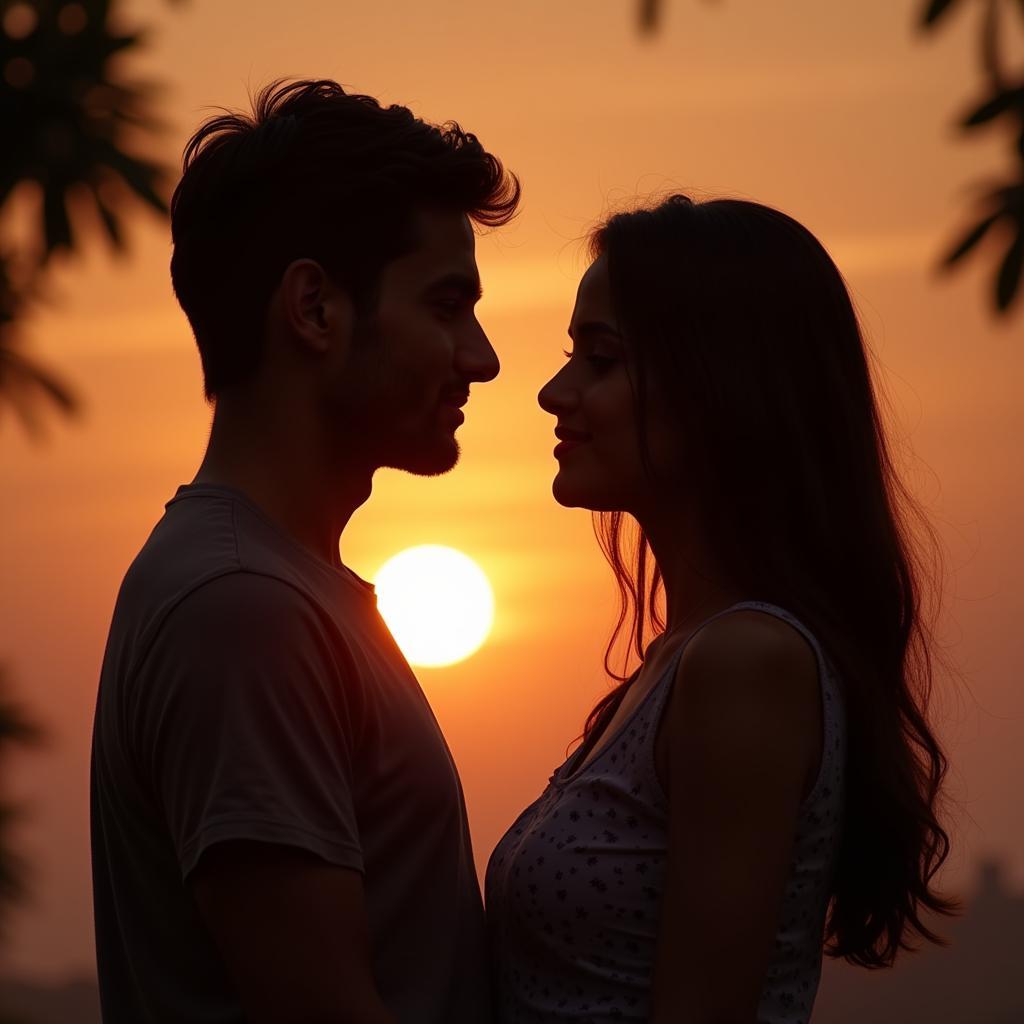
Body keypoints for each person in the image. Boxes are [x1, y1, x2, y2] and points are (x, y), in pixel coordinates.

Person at [90, 79, 519, 1024]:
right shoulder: (242, 609)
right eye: (447, 304)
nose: (481, 356)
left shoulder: (280, 591)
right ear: (315, 308)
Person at [486, 194, 956, 1023]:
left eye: (602, 359)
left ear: (721, 389)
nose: (555, 393)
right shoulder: (685, 658)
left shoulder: (747, 663)